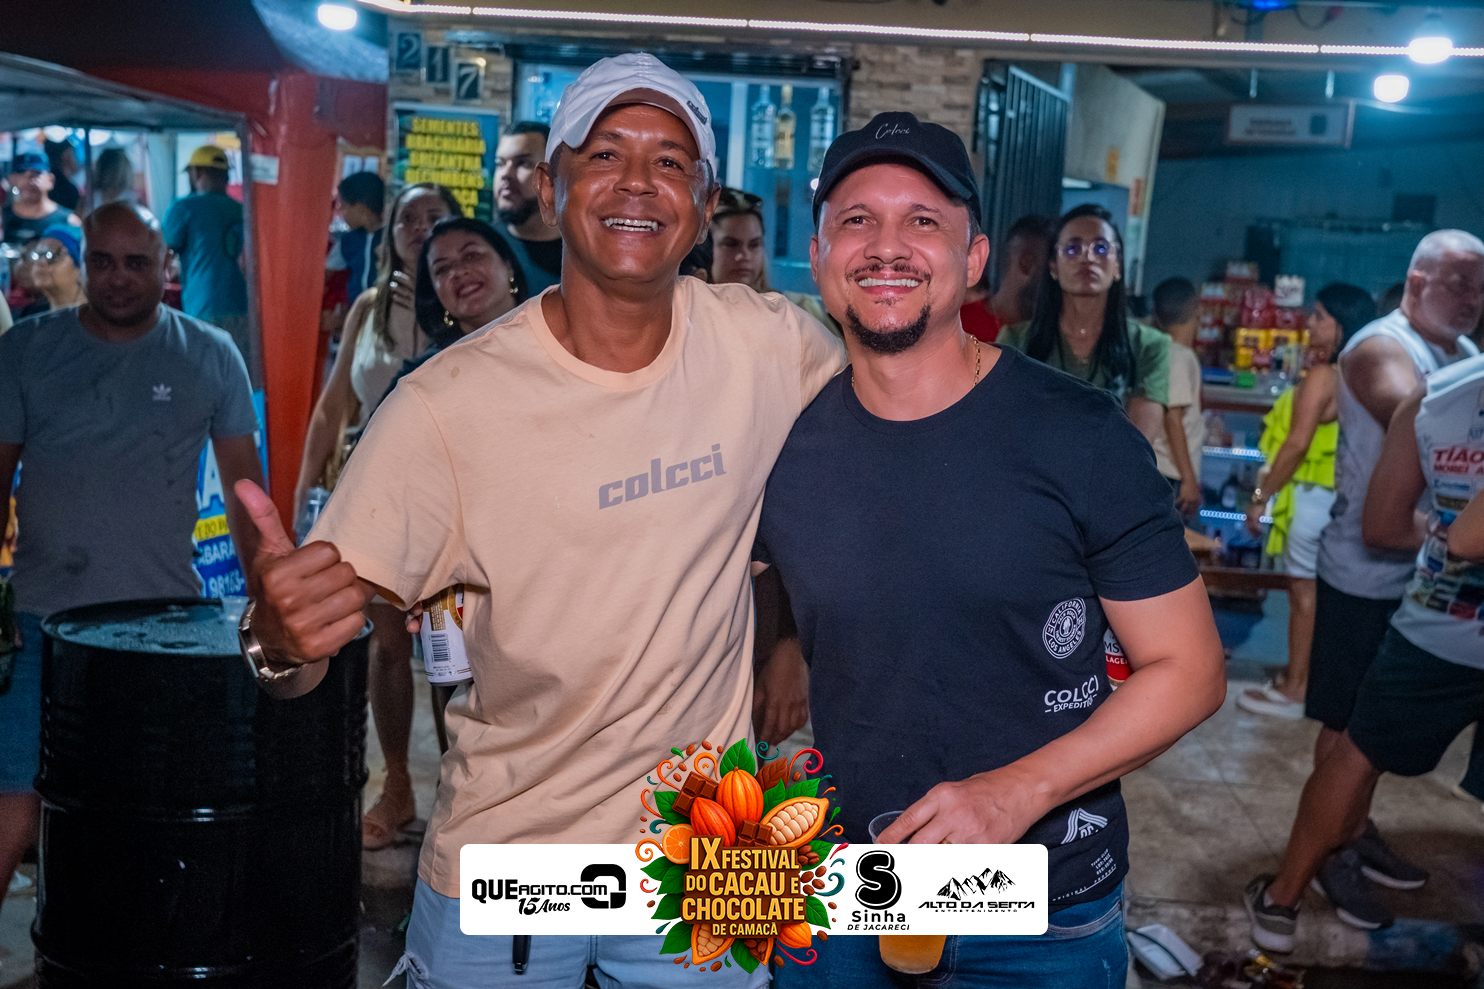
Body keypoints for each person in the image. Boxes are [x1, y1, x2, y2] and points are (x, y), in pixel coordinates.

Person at [234, 51, 842, 987]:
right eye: (604, 155)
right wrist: (277, 642)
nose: (638, 180)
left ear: (702, 203)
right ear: (552, 192)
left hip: (713, 849)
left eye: (670, 161)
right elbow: (300, 655)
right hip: (510, 851)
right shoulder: (445, 407)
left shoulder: (771, 347)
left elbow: (902, 428)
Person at [757, 111, 1226, 988]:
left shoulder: (1080, 435)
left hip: (1041, 908)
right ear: (819, 259)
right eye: (856, 220)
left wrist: (1017, 790)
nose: (886, 246)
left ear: (974, 258)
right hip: (854, 891)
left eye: (921, 220)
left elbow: (1190, 670)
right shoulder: (781, 443)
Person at [0, 201, 262, 921]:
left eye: (137, 263)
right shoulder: (27, 349)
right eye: (103, 262)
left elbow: (248, 501)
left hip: (164, 627)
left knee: (145, 807)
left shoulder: (210, 353)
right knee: (12, 797)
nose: (118, 278)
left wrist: (267, 607)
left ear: (166, 266)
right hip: (38, 620)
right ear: (84, 262)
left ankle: (121, 946)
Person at [1246, 231, 1483, 946]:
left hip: (1425, 571)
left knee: (1369, 739)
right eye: (1460, 282)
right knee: (1350, 729)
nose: (1473, 298)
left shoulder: (1461, 356)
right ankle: (1330, 856)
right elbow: (1423, 425)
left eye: (1481, 286)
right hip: (1367, 570)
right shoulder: (1383, 347)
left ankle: (1353, 830)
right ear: (1417, 281)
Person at [294, 180, 460, 852]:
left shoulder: (467, 301)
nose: (419, 227)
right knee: (387, 647)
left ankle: (460, 791)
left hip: (452, 500)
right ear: (389, 234)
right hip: (378, 495)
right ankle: (396, 785)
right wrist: (305, 496)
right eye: (406, 219)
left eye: (433, 216)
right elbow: (335, 406)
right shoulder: (367, 307)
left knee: (452, 653)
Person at [1238, 284, 1376, 719]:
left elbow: (1297, 443)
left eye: (1319, 316)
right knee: (1324, 598)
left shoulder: (1325, 376)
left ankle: (1298, 688)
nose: (1310, 324)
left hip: (1311, 499)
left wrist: (1260, 496)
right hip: (1343, 498)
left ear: (1341, 324)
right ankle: (1308, 682)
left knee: (1303, 596)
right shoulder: (1366, 371)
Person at [998, 204, 1171, 413]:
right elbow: (1003, 416)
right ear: (1053, 266)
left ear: (1117, 265)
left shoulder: (1148, 346)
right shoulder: (1016, 341)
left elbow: (1143, 430)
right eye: (1072, 249)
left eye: (1101, 248)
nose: (1087, 258)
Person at [162, 145, 251, 370]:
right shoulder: (243, 210)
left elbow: (161, 252)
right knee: (237, 375)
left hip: (203, 309)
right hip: (244, 309)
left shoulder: (184, 208)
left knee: (202, 377)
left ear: (196, 173)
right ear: (225, 176)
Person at [708, 185, 832, 328]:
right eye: (731, 244)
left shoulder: (796, 311)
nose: (744, 255)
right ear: (706, 247)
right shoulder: (692, 312)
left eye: (754, 244)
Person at [1146, 277, 1205, 515]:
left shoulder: (1159, 351)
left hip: (1163, 470)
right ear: (1197, 310)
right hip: (1171, 473)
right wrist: (1188, 478)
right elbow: (1173, 418)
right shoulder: (1178, 356)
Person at [958, 213, 1052, 343]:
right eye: (1052, 266)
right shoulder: (957, 324)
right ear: (1026, 264)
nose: (1057, 276)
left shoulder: (1051, 336)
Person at [494, 121, 563, 294]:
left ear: (551, 175)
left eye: (523, 163)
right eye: (500, 164)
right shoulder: (483, 246)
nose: (505, 174)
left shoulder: (583, 250)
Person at [3, 150, 79, 246]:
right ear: (12, 179)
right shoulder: (2, 217)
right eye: (21, 173)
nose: (28, 180)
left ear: (50, 180)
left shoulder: (69, 222)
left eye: (36, 173)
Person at [332, 170, 387, 302]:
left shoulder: (390, 238)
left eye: (343, 206)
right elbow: (327, 272)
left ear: (361, 208)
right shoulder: (347, 241)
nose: (341, 213)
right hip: (357, 309)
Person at [15, 225, 86, 320]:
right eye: (38, 254)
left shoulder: (97, 320)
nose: (41, 262)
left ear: (80, 269)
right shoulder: (28, 316)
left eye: (52, 255)